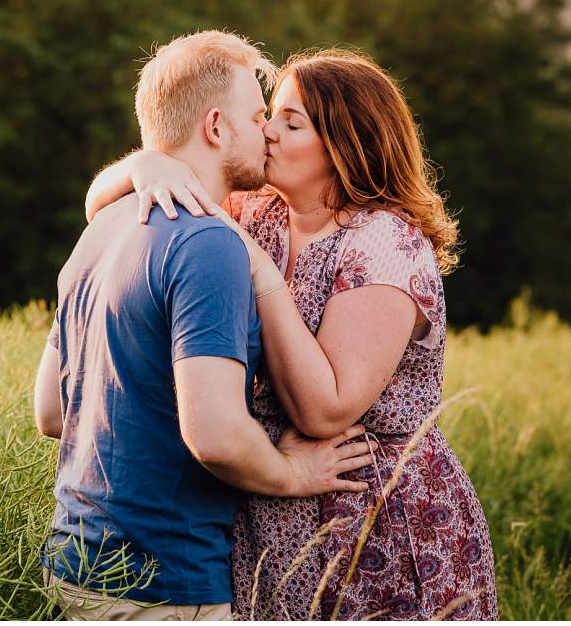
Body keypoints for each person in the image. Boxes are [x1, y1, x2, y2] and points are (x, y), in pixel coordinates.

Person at [85, 48, 498, 620]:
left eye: (289, 121)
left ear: (344, 144)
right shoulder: (260, 210)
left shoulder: (384, 244)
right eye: (268, 115)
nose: (267, 132)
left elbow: (325, 410)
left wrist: (257, 269)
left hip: (372, 526)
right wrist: (145, 167)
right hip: (267, 522)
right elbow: (101, 203)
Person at [34, 32, 376, 621]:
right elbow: (214, 434)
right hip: (164, 583)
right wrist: (292, 472)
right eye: (257, 115)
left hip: (75, 564)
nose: (267, 131)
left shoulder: (101, 227)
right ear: (216, 128)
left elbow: (50, 410)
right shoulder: (211, 243)